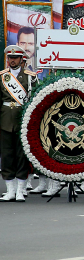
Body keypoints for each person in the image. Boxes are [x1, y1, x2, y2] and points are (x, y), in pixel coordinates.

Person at [0, 46, 37, 202]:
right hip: (5, 120)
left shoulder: (30, 77)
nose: (12, 60)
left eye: (15, 58)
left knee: (21, 156)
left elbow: (35, 98)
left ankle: (21, 190)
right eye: (10, 58)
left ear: (22, 60)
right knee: (7, 155)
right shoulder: (2, 76)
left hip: (23, 119)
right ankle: (10, 190)